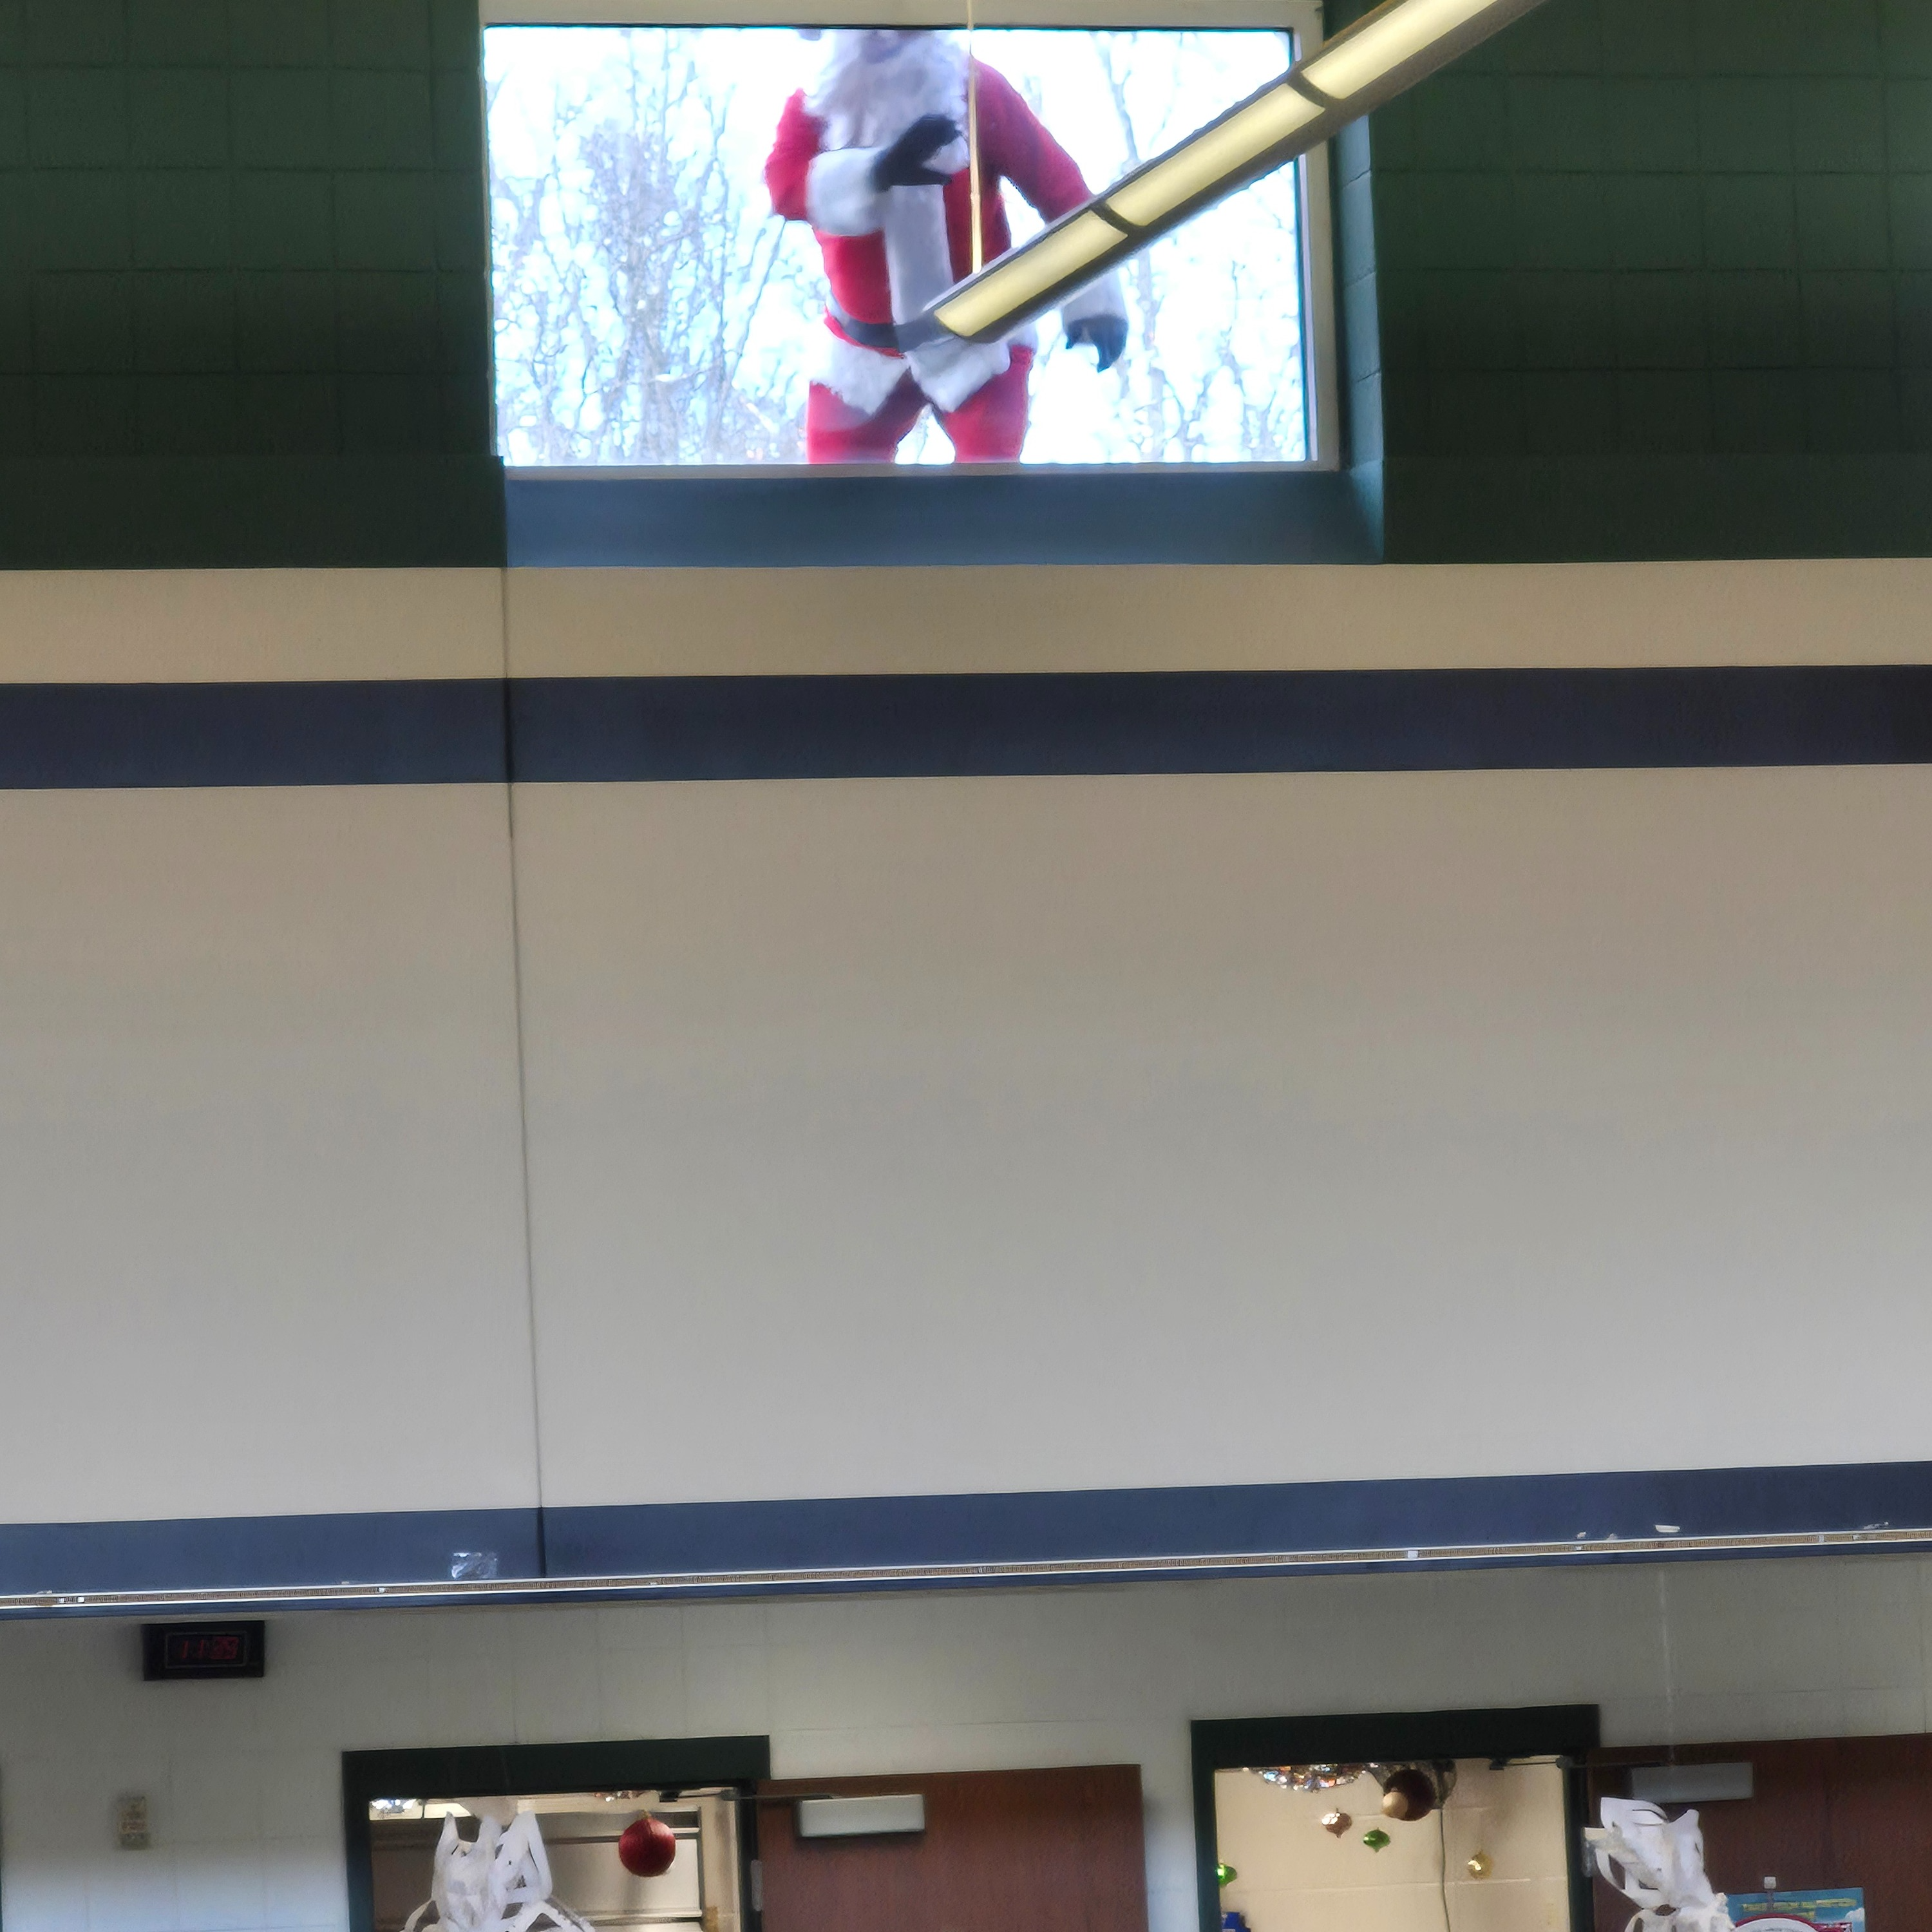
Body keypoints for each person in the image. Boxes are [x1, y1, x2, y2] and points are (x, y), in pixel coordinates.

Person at [765, 28, 1128, 463]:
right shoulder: (818, 105)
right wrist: (874, 172)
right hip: (860, 355)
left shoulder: (977, 93)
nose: (884, 34)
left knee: (986, 497)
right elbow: (784, 185)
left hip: (980, 343)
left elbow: (1058, 186)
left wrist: (1094, 300)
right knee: (833, 507)